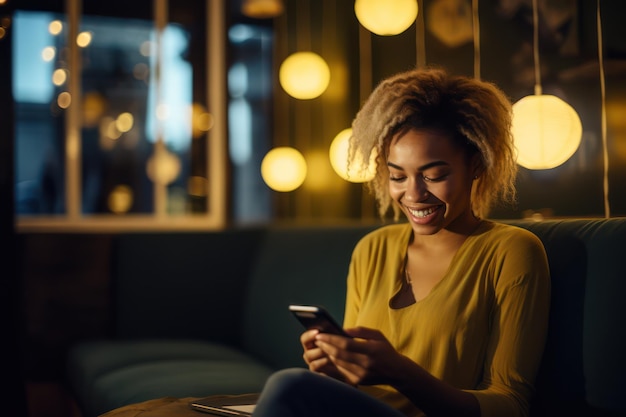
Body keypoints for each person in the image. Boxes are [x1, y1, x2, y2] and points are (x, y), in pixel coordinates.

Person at [252, 67, 551, 417]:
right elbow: (356, 385)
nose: (413, 194)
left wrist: (400, 372)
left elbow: (510, 405)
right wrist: (336, 369)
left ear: (476, 165)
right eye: (397, 176)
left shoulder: (511, 252)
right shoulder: (373, 249)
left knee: (289, 386)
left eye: (434, 175)